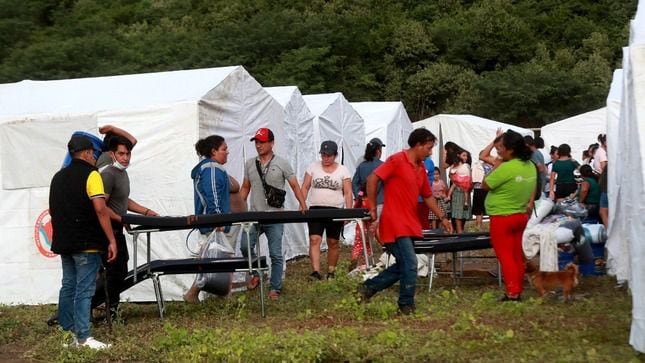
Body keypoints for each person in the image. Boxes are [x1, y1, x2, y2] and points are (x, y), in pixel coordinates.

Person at [357, 129, 452, 315]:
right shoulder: (397, 160)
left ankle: (368, 288)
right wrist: (372, 207)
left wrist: (443, 217)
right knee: (409, 263)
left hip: (410, 223)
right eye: (428, 147)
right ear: (417, 145)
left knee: (404, 265)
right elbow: (372, 179)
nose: (430, 152)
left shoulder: (421, 169)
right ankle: (405, 305)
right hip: (394, 222)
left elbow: (428, 196)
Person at [49, 135, 117, 349]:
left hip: (64, 241)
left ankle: (66, 335)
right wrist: (111, 239)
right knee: (84, 290)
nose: (95, 157)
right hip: (86, 242)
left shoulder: (57, 177)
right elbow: (100, 208)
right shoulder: (92, 175)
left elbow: (52, 211)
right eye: (94, 154)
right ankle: (83, 337)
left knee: (67, 286)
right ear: (88, 153)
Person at [91, 135, 158, 319]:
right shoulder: (108, 174)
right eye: (121, 154)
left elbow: (123, 200)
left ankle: (110, 306)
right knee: (114, 270)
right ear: (112, 154)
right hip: (107, 229)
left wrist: (145, 211)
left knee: (120, 268)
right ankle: (106, 309)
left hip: (118, 226)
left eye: (128, 154)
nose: (125, 158)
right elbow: (101, 205)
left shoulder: (123, 173)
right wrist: (121, 218)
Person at [240, 127, 307, 300]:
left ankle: (275, 287)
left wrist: (302, 203)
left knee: (276, 253)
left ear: (272, 143)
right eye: (256, 142)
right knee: (245, 246)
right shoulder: (249, 163)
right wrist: (239, 210)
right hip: (254, 215)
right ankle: (257, 272)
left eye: (262, 142)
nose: (258, 145)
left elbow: (294, 184)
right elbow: (245, 187)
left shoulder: (282, 163)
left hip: (275, 215)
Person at [482, 130, 537, 301]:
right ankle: (517, 289)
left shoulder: (506, 167)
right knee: (515, 255)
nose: (498, 151)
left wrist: (497, 166)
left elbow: (485, 185)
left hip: (502, 217)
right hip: (520, 215)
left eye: (501, 148)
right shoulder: (530, 166)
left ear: (510, 150)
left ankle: (512, 292)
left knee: (506, 257)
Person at [183, 135, 236, 303]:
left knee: (214, 260)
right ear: (214, 151)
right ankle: (194, 294)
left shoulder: (210, 168)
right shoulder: (212, 169)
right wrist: (217, 218)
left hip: (209, 221)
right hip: (212, 222)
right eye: (224, 149)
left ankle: (220, 294)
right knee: (213, 260)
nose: (227, 152)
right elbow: (213, 194)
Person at [301, 140, 352, 280]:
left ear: (335, 155)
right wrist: (302, 202)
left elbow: (348, 192)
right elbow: (305, 186)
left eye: (328, 155)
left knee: (333, 241)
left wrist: (348, 211)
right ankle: (316, 271)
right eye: (323, 155)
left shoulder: (343, 170)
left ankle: (331, 271)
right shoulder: (313, 167)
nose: (325, 158)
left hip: (335, 209)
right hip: (315, 209)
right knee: (314, 239)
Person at [350, 138, 385, 270]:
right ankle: (383, 256)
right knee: (376, 231)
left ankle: (358, 257)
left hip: (363, 204)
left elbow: (354, 183)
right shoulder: (383, 165)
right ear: (378, 151)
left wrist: (360, 195)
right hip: (379, 203)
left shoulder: (362, 166)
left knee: (361, 232)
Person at [447, 149, 472, 233]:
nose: (466, 157)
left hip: (464, 189)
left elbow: (469, 178)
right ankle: (459, 231)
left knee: (463, 213)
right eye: (464, 155)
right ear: (458, 156)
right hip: (457, 190)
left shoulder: (466, 166)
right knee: (457, 214)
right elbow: (451, 176)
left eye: (467, 156)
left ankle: (460, 230)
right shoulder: (453, 166)